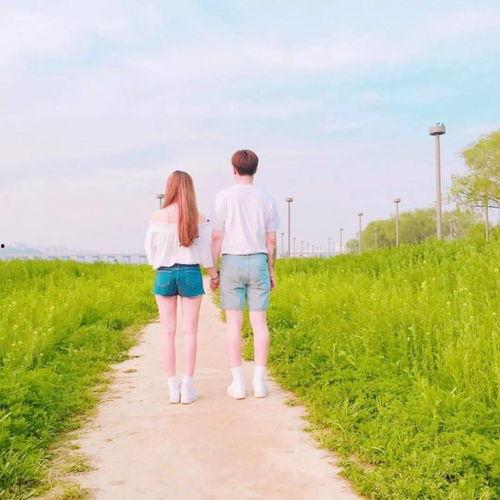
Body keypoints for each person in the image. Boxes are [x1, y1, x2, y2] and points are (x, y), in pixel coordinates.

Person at [145, 171, 219, 404]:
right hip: (190, 273)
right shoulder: (199, 217)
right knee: (190, 332)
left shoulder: (158, 216)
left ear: (170, 188)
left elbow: (150, 250)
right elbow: (206, 253)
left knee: (167, 332)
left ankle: (171, 387)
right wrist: (214, 275)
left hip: (164, 274)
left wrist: (160, 262)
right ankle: (187, 386)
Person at [211, 150, 280, 399]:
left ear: (234, 169)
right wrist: (271, 270)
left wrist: (214, 271)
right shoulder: (266, 198)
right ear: (255, 169)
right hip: (259, 261)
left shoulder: (223, 197)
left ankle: (238, 383)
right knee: (260, 323)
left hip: (232, 261)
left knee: (234, 324)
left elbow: (217, 236)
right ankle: (260, 383)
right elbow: (272, 240)